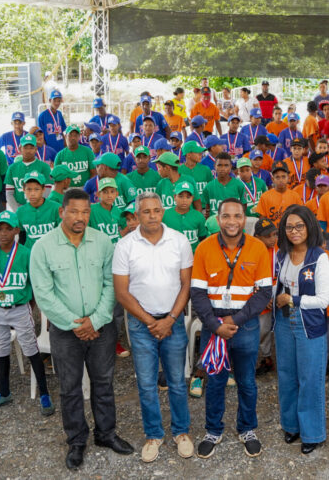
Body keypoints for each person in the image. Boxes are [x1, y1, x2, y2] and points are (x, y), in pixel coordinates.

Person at [29, 189, 134, 470]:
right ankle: (76, 440)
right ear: (62, 212)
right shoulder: (43, 246)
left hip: (100, 328)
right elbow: (43, 294)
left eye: (85, 212)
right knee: (70, 387)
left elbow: (112, 285)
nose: (80, 217)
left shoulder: (102, 242)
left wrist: (95, 320)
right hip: (65, 332)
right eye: (74, 211)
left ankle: (106, 433)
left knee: (103, 382)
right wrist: (76, 324)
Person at [113, 192, 194, 462]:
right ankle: (154, 435)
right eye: (146, 211)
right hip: (141, 324)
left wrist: (170, 319)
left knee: (177, 383)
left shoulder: (179, 241)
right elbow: (122, 293)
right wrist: (151, 322)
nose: (152, 216)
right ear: (137, 215)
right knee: (147, 384)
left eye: (156, 210)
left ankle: (181, 432)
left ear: (163, 211)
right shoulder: (125, 245)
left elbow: (186, 284)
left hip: (172, 322)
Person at [189, 198, 272, 459]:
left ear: (244, 218)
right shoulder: (204, 248)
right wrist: (215, 325)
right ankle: (213, 430)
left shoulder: (258, 248)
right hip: (214, 328)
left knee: (247, 381)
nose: (232, 221)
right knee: (215, 381)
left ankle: (247, 428)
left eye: (237, 216)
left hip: (244, 327)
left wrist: (234, 321)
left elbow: (264, 293)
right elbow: (198, 293)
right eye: (226, 216)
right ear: (218, 218)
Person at [0, 210, 54, 415]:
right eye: (0, 229)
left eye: (8, 228)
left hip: (19, 309)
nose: (3, 233)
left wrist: (31, 305)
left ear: (17, 230)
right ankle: (4, 392)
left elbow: (35, 283)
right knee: (1, 349)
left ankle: (44, 393)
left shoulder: (27, 253)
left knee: (31, 349)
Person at [271, 205, 329, 454]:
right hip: (284, 321)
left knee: (310, 379)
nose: (294, 231)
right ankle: (291, 426)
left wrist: (294, 300)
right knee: (286, 375)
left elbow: (323, 300)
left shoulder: (320, 257)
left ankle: (312, 433)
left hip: (308, 324)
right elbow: (277, 285)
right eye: (289, 227)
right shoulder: (281, 255)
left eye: (299, 226)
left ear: (309, 227)